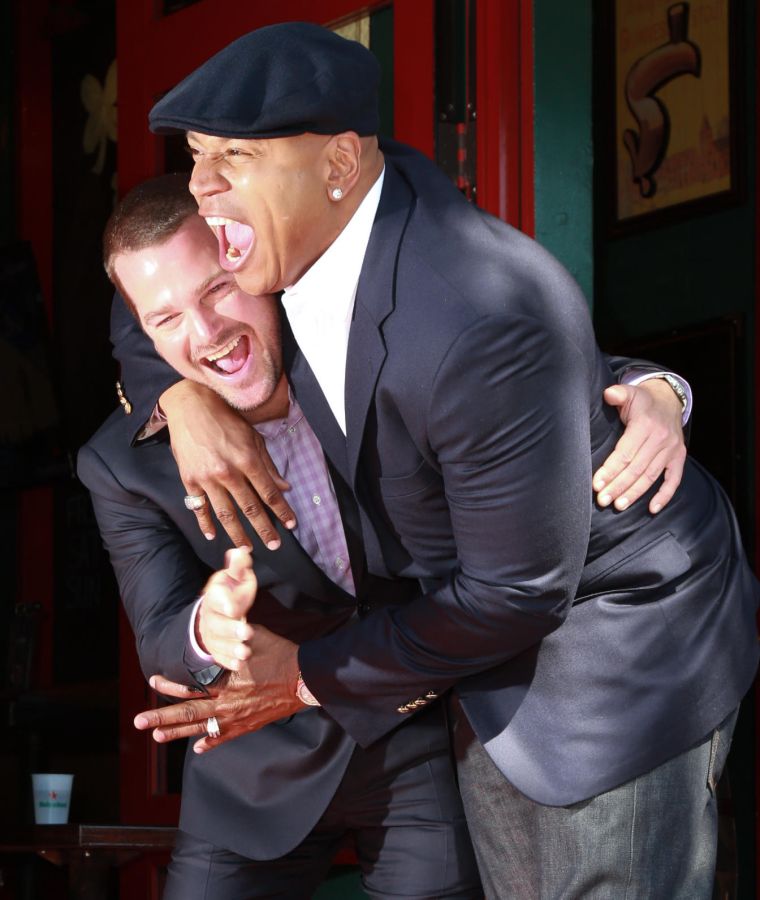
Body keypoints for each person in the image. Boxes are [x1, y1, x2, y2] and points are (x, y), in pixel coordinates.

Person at [116, 23, 759, 899]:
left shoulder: (466, 301)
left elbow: (513, 567)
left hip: (614, 634)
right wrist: (180, 400)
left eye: (234, 154)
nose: (203, 184)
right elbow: (146, 297)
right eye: (196, 154)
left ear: (337, 165)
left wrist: (299, 676)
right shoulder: (306, 234)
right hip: (480, 659)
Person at [78, 174, 482, 899]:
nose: (205, 334)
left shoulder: (366, 356)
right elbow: (163, 635)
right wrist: (211, 627)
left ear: (250, 260)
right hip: (255, 755)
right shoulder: (122, 462)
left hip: (415, 731)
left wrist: (653, 388)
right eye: (166, 320)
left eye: (218, 291)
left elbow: (527, 371)